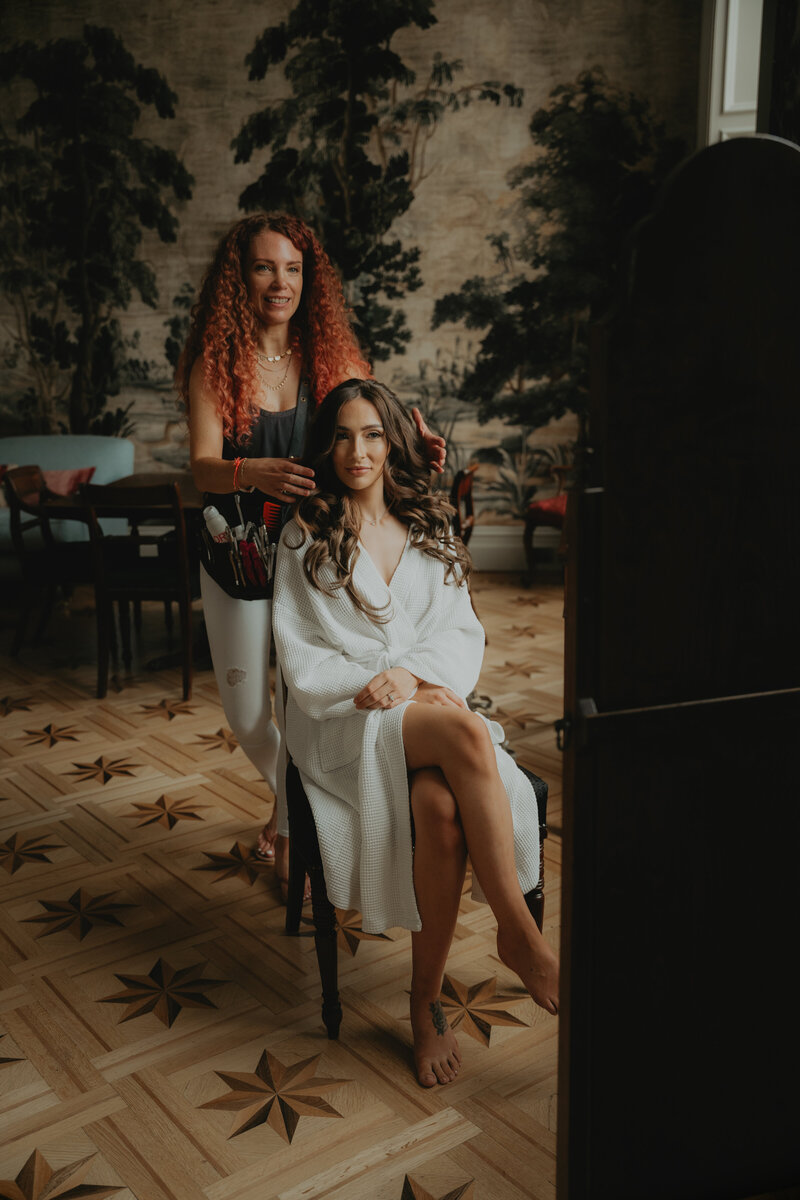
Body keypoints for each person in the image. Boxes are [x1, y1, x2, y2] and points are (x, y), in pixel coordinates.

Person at [272, 378, 559, 1089]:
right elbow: (301, 657)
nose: (357, 451)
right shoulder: (304, 534)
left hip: (418, 703)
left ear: (393, 440)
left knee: (438, 808)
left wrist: (411, 675)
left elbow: (461, 632)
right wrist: (389, 681)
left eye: (372, 434)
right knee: (467, 736)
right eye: (343, 436)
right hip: (345, 720)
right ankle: (519, 934)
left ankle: (424, 1003)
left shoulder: (428, 527)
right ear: (326, 446)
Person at [177, 213, 445, 895]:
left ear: (308, 280)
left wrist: (418, 448)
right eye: (265, 267)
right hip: (236, 553)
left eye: (293, 269)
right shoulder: (214, 363)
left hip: (316, 555)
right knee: (247, 714)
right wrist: (251, 473)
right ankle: (295, 800)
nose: (280, 282)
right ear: (240, 277)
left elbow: (374, 425)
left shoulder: (331, 357)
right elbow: (202, 468)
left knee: (303, 698)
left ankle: (297, 820)